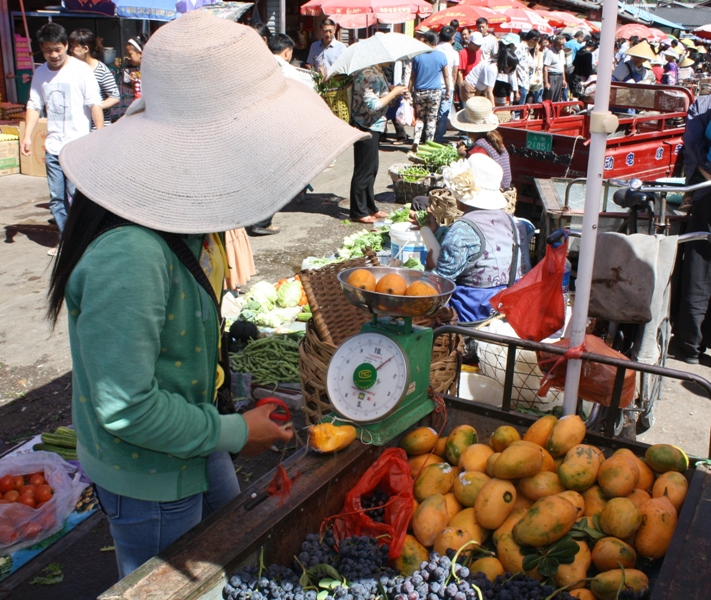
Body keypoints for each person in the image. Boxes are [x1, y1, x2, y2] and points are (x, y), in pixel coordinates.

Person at [50, 12, 365, 579]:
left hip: (193, 435)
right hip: (148, 471)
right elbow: (127, 406)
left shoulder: (188, 223)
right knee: (174, 582)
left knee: (234, 554)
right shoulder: (133, 256)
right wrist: (236, 432)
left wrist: (229, 417)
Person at [21, 23, 104, 256]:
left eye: (58, 49)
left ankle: (83, 238)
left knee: (76, 196)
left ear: (67, 45)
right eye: (48, 50)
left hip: (78, 147)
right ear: (42, 49)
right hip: (53, 147)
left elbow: (94, 103)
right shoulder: (40, 73)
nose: (54, 55)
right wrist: (26, 136)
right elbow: (34, 105)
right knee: (57, 199)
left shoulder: (81, 70)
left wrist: (99, 135)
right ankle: (68, 240)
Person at [425, 153, 521, 322]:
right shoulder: (510, 221)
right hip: (505, 312)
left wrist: (430, 269)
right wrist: (437, 231)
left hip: (470, 316)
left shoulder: (461, 230)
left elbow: (441, 284)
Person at [675, 94, 711, 363]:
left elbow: (691, 143)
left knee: (699, 269)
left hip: (706, 190)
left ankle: (690, 347)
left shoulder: (704, 105)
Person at [349, 64, 407, 223]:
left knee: (372, 168)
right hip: (366, 125)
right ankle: (358, 211)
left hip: (374, 125)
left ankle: (370, 207)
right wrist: (394, 92)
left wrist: (391, 91)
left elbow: (378, 95)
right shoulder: (369, 74)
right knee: (364, 169)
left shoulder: (376, 71)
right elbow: (373, 106)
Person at [452, 97, 511, 189]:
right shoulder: (493, 139)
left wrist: (464, 154)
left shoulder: (479, 148)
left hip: (494, 189)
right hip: (504, 185)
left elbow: (477, 166)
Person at [69, 29, 120, 129]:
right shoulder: (72, 68)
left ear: (85, 49)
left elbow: (115, 97)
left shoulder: (101, 70)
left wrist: (95, 107)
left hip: (97, 128)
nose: (70, 50)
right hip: (78, 127)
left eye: (73, 46)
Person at [409, 31, 449, 151]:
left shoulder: (417, 56)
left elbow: (413, 76)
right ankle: (429, 143)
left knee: (420, 118)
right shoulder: (441, 56)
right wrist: (448, 90)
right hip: (435, 91)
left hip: (420, 91)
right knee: (432, 119)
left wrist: (409, 89)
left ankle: (416, 140)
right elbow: (446, 75)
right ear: (435, 42)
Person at [464, 43, 519, 108]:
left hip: (479, 89)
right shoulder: (492, 68)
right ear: (505, 63)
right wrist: (493, 108)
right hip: (470, 87)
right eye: (510, 66)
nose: (510, 69)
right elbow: (489, 91)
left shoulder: (494, 63)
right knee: (474, 112)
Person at [434, 26, 460, 144]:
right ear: (452, 37)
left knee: (432, 113)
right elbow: (454, 74)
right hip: (447, 87)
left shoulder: (434, 50)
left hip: (433, 85)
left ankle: (428, 135)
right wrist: (452, 88)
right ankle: (439, 137)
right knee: (443, 113)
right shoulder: (454, 53)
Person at [457, 31, 482, 106]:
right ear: (470, 42)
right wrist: (462, 88)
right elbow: (460, 72)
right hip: (466, 84)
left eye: (479, 45)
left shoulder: (480, 52)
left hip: (477, 85)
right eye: (476, 45)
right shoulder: (463, 53)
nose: (478, 47)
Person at [514, 30, 539, 105]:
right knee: (518, 109)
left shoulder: (528, 50)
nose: (537, 44)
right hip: (520, 82)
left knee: (522, 108)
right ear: (533, 39)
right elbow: (515, 66)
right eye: (536, 41)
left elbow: (533, 65)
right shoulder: (520, 48)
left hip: (525, 82)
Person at [543, 35, 567, 102]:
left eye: (563, 44)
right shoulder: (549, 53)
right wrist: (546, 82)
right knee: (550, 95)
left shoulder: (562, 52)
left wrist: (564, 79)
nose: (562, 46)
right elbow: (545, 67)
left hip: (560, 76)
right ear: (555, 43)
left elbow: (562, 66)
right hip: (552, 76)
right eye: (560, 45)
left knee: (558, 97)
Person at [124, 34, 147, 99]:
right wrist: (133, 82)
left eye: (130, 54)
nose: (128, 57)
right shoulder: (139, 70)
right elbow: (137, 92)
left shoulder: (149, 70)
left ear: (140, 54)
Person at [529, 35, 549, 103]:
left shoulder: (544, 52)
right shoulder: (533, 54)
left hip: (540, 76)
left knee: (539, 94)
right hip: (534, 76)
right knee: (533, 93)